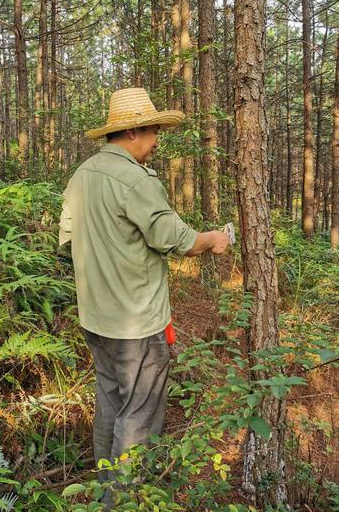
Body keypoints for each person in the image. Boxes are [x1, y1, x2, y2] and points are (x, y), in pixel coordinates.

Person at [59, 87, 228, 489]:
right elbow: (177, 240)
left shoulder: (81, 176)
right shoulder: (135, 181)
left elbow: (66, 241)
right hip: (136, 324)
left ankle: (103, 493)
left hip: (95, 319)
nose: (156, 141)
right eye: (153, 131)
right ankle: (125, 509)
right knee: (139, 413)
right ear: (132, 132)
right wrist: (213, 239)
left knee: (111, 400)